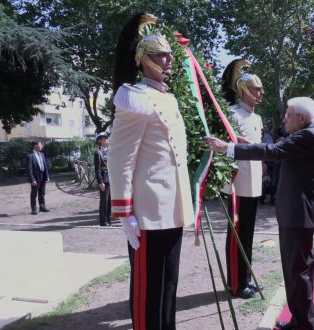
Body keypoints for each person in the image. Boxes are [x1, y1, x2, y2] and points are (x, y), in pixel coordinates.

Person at [206, 96, 314, 330]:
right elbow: (276, 149)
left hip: (299, 214)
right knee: (298, 270)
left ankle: (308, 325)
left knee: (297, 271)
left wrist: (228, 148)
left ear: (301, 118)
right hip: (298, 213)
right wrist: (241, 144)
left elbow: (273, 151)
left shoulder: (308, 136)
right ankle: (300, 320)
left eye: (288, 114)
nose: (284, 118)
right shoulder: (305, 135)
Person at [108, 13, 194, 330]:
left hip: (172, 207)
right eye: (161, 53)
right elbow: (120, 158)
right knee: (149, 288)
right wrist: (124, 211)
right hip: (147, 210)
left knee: (169, 282)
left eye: (169, 53)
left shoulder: (166, 97)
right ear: (144, 60)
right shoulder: (134, 98)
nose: (168, 58)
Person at [220, 59, 265, 299]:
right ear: (246, 90)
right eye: (257, 88)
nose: (261, 93)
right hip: (238, 184)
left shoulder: (256, 118)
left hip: (253, 182)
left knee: (247, 235)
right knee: (237, 235)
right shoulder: (232, 114)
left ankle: (244, 278)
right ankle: (236, 283)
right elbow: (226, 145)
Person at [26, 141, 50, 214]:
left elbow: (45, 166)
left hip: (43, 176)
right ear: (35, 146)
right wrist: (32, 179)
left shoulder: (42, 154)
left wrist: (47, 176)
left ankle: (42, 207)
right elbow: (29, 169)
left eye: (42, 145)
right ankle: (33, 209)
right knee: (34, 194)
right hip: (35, 178)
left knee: (42, 193)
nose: (42, 146)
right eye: (40, 145)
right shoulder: (30, 156)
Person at [94, 132, 111, 227]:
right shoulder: (98, 153)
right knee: (104, 201)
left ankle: (108, 219)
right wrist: (100, 181)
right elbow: (97, 168)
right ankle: (103, 221)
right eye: (105, 138)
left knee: (109, 201)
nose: (107, 139)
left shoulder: (111, 150)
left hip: (111, 178)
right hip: (104, 179)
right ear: (100, 141)